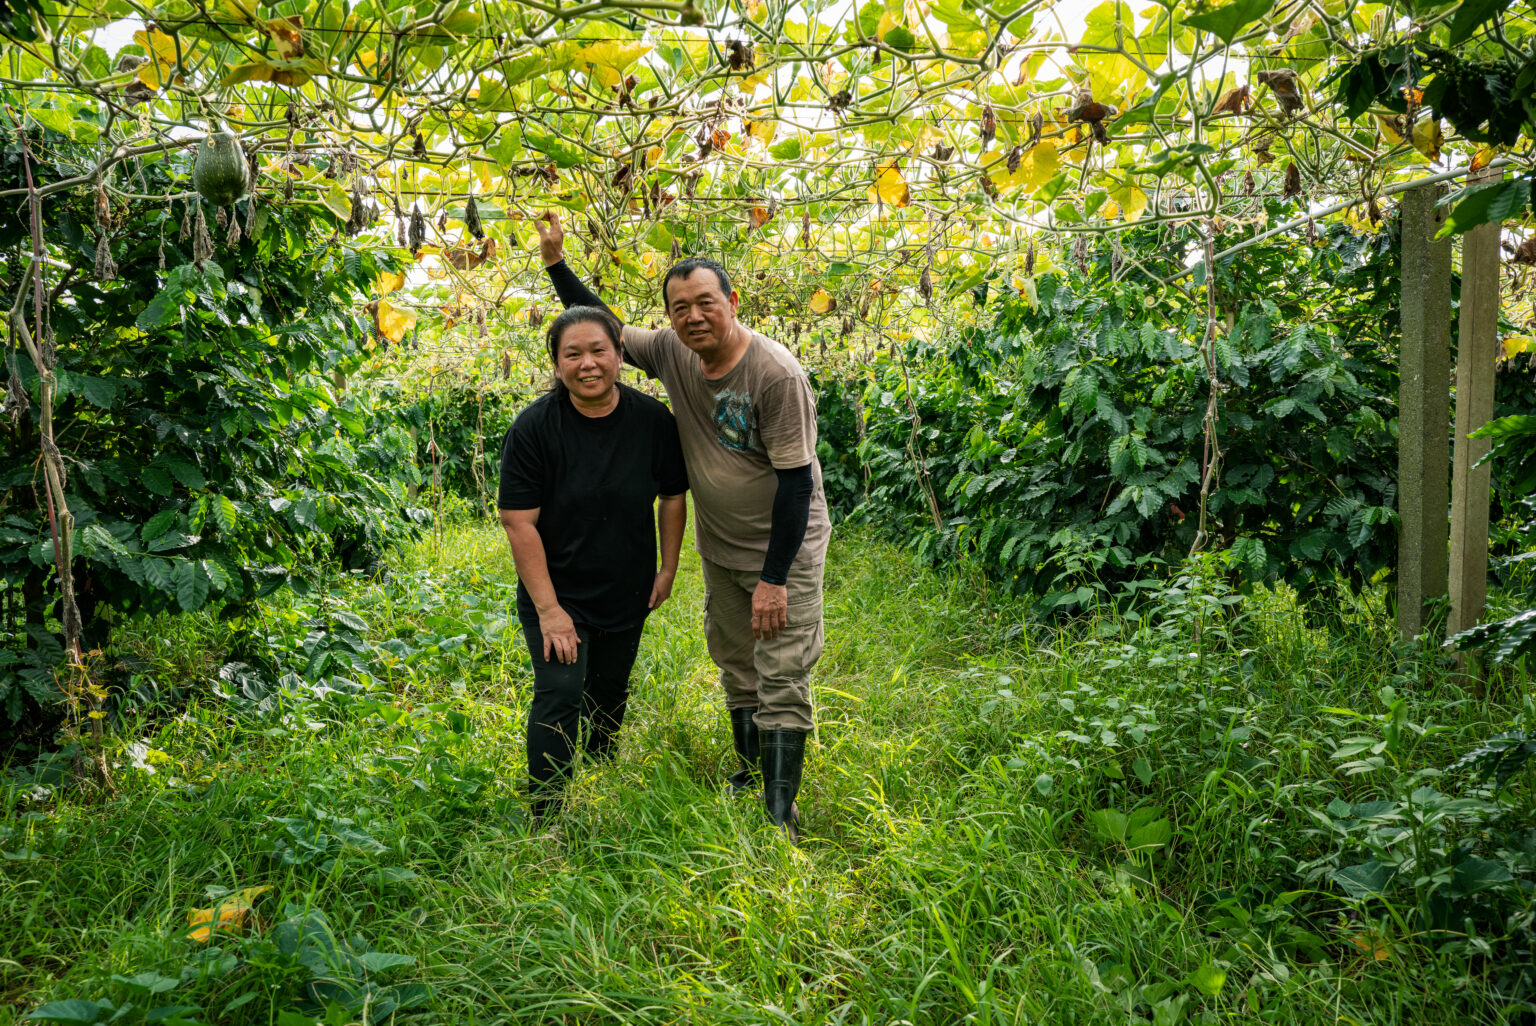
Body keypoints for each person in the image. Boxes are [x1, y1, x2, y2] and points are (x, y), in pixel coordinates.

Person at [535, 211, 831, 843]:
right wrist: (558, 264)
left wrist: (776, 579)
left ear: (731, 301)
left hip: (782, 553)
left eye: (705, 303)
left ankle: (781, 814)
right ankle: (750, 773)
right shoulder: (675, 352)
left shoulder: (774, 375)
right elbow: (602, 328)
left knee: (781, 666)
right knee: (736, 659)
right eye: (678, 307)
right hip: (721, 549)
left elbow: (798, 482)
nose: (692, 317)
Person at [498, 306, 688, 822]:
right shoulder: (535, 429)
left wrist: (668, 567)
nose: (587, 363)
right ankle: (548, 818)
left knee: (608, 692)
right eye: (572, 354)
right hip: (556, 592)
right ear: (556, 365)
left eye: (598, 350)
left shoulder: (652, 421)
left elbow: (672, 495)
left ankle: (602, 781)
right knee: (561, 692)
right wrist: (550, 611)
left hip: (626, 585)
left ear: (620, 355)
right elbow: (519, 522)